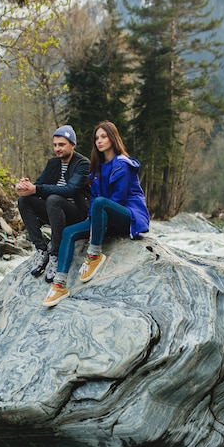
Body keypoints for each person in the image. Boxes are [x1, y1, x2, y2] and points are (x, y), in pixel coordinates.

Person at [42, 121, 150, 307]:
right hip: (104, 216)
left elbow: (118, 200)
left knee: (101, 203)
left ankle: (94, 256)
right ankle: (59, 285)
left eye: (104, 136)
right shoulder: (98, 167)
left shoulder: (123, 164)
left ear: (113, 138)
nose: (99, 141)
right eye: (96, 138)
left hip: (127, 217)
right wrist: (92, 222)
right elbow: (95, 199)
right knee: (69, 232)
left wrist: (97, 225)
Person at [15, 125, 90, 282]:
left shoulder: (83, 163)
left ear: (72, 145)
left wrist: (36, 188)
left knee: (53, 198)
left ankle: (55, 254)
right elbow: (38, 185)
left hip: (75, 214)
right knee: (24, 200)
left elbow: (71, 190)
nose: (57, 149)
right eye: (55, 145)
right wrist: (25, 187)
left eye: (61, 145)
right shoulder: (53, 163)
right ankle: (42, 250)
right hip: (53, 212)